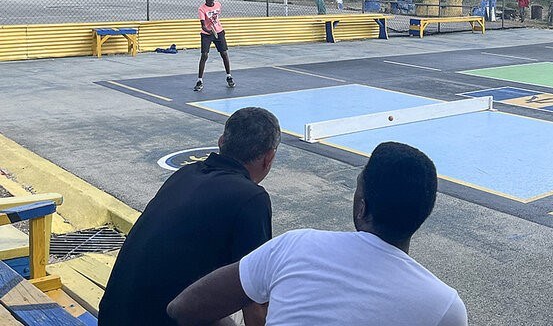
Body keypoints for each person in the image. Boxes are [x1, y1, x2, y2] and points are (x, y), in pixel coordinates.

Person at [168, 141, 467, 326]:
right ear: (424, 214)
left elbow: (183, 308)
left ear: (361, 208)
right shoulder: (445, 307)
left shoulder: (295, 246)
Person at [99, 107, 281, 326]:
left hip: (112, 315)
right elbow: (255, 303)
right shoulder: (251, 198)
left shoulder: (184, 174)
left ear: (221, 142)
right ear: (268, 158)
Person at [195, 0, 234, 91]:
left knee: (224, 54)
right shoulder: (202, 9)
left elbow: (216, 19)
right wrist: (209, 31)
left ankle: (229, 76)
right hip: (207, 34)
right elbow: (203, 26)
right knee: (204, 55)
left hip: (219, 32)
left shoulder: (218, 5)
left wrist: (218, 31)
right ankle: (199, 80)